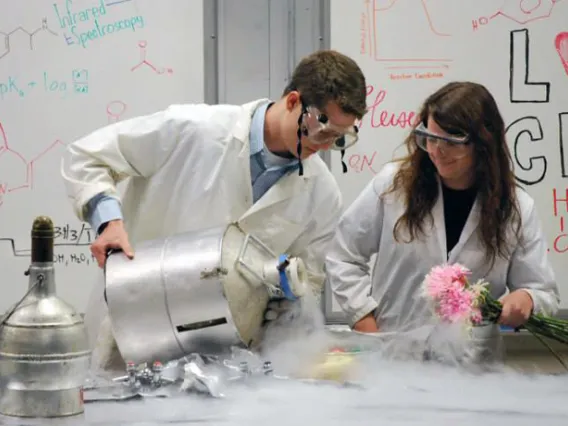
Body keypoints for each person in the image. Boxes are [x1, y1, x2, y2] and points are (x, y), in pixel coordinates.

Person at [61, 49, 367, 372]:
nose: (324, 145)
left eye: (338, 138)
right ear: (293, 101)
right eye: (322, 129)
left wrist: (292, 304)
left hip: (227, 366)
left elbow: (308, 283)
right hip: (132, 337)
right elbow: (86, 157)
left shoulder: (322, 195)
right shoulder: (193, 130)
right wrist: (108, 222)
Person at [325, 81, 560, 361]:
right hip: (393, 358)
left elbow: (543, 291)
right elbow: (343, 255)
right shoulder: (393, 186)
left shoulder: (516, 209)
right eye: (430, 138)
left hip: (472, 367)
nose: (436, 151)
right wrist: (365, 322)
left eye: (450, 142)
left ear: (483, 143)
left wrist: (527, 300)